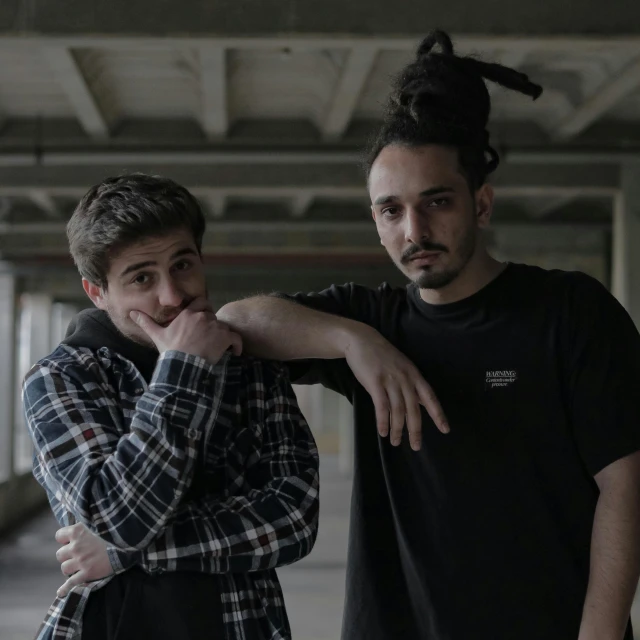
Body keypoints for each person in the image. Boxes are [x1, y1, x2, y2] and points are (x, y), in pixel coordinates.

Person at [217, 31, 640, 640]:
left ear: (482, 204)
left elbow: (624, 488)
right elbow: (232, 322)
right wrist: (354, 343)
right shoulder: (371, 320)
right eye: (391, 210)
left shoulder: (569, 312)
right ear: (376, 221)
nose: (414, 229)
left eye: (436, 201)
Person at [22, 174, 319, 640]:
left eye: (182, 265)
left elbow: (293, 519)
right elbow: (116, 515)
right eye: (142, 277)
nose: (172, 295)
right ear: (97, 292)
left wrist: (123, 554)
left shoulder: (253, 368)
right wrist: (183, 367)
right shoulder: (60, 378)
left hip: (240, 624)